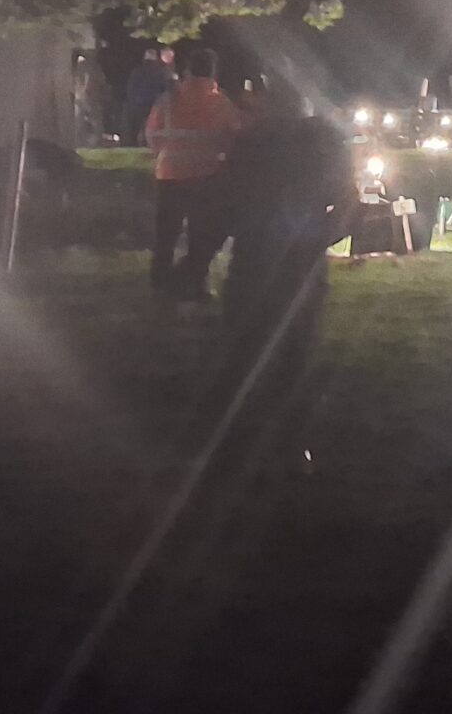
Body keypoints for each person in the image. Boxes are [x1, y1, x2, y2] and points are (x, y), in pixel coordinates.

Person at [217, 103, 358, 464]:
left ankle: (234, 439)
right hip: (300, 263)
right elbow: (347, 198)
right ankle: (290, 442)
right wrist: (327, 234)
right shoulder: (323, 142)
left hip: (254, 259)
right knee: (293, 354)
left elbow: (223, 196)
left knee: (243, 350)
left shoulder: (251, 141)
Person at [144, 47, 245, 301]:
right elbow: (233, 141)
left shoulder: (168, 100)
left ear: (189, 69)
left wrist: (164, 153)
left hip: (169, 175)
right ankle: (195, 286)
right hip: (206, 178)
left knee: (166, 235)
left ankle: (159, 283)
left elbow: (152, 134)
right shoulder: (221, 103)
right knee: (200, 236)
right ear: (213, 72)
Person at [123, 45, 176, 146]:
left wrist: (132, 101)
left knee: (140, 125)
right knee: (149, 124)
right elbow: (163, 88)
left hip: (139, 103)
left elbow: (131, 88)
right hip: (152, 103)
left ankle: (139, 142)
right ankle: (146, 142)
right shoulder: (158, 73)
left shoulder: (137, 72)